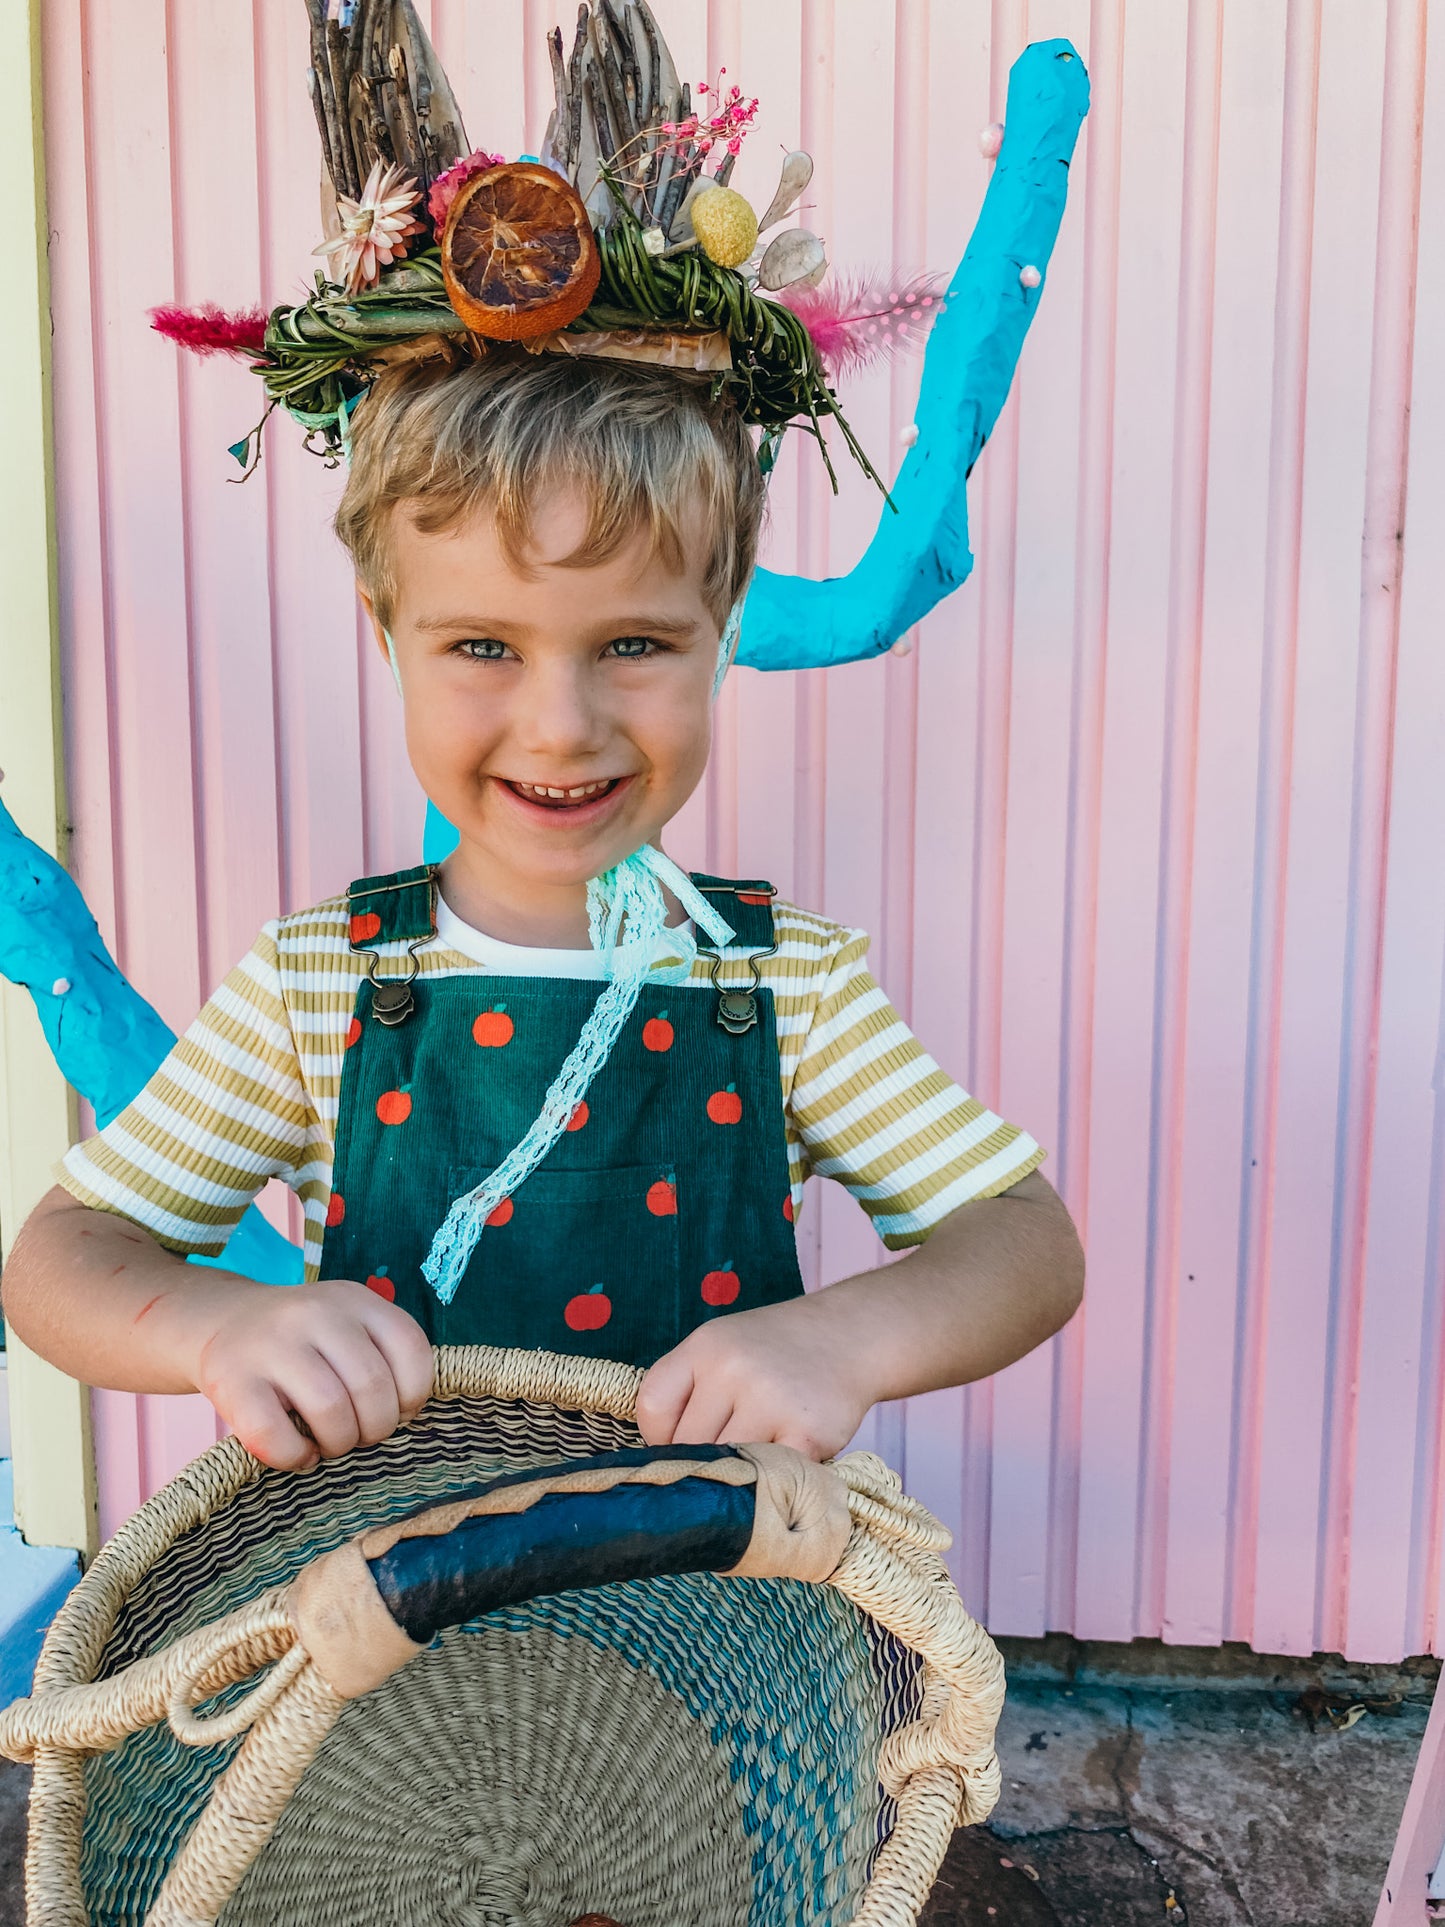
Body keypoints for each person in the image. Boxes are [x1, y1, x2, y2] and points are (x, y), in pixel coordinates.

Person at [3, 0, 1083, 1480]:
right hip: (394, 1631)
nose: (561, 723)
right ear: (390, 636)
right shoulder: (317, 984)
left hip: (710, 1624)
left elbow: (1019, 1243)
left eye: (634, 645)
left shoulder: (787, 988)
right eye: (482, 649)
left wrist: (842, 1338)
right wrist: (212, 1329)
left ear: (720, 633)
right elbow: (66, 1256)